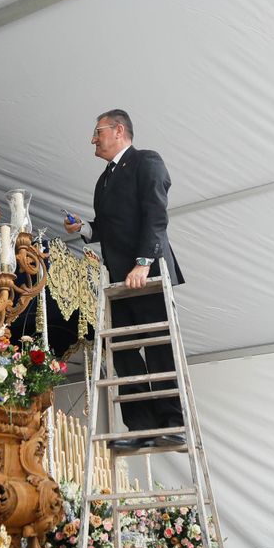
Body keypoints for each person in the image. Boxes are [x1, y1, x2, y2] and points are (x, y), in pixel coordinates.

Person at [64, 109, 183, 449]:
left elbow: (156, 214)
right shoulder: (103, 180)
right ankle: (140, 427)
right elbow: (107, 227)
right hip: (119, 281)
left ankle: (172, 422)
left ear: (118, 130)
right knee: (123, 353)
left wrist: (144, 263)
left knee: (158, 346)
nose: (93, 139)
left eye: (97, 131)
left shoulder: (147, 161)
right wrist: (84, 228)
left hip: (148, 273)